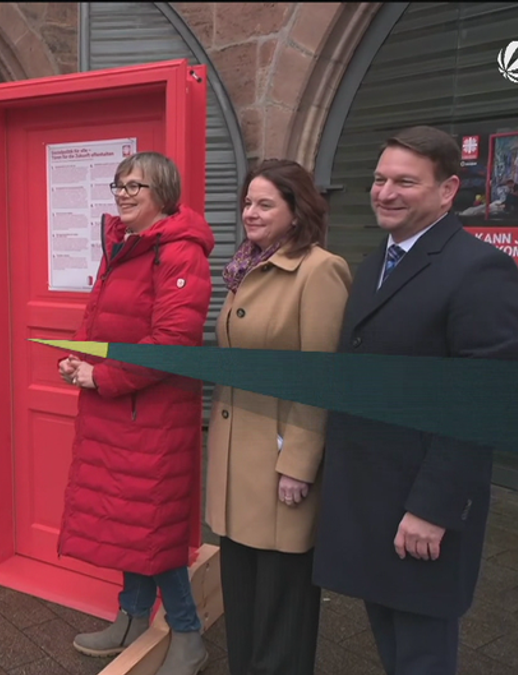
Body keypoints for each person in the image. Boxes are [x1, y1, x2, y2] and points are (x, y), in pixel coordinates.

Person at [313, 126, 518, 675]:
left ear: (448, 189)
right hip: (368, 498)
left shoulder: (480, 269)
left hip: (419, 507)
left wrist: (432, 509)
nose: (385, 192)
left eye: (405, 181)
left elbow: (480, 404)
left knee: (420, 656)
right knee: (390, 645)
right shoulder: (373, 264)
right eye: (380, 178)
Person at [58, 152, 214, 675]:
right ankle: (131, 618)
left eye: (136, 186)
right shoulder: (126, 246)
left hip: (151, 415)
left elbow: (172, 342)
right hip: (121, 412)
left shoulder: (179, 253)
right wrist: (79, 358)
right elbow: (101, 320)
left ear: (163, 194)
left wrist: (101, 376)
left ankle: (188, 637)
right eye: (119, 185)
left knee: (155, 530)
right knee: (129, 520)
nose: (123, 194)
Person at [205, 159, 352, 675]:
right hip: (235, 459)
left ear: (296, 211)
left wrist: (300, 462)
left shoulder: (320, 271)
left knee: (281, 604)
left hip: (278, 461)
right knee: (242, 600)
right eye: (247, 202)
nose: (251, 212)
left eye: (265, 203)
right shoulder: (245, 267)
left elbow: (321, 377)